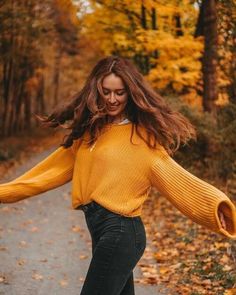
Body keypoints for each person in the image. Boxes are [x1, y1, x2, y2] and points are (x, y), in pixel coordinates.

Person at [0, 55, 235, 295]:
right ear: (96, 90)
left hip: (122, 232)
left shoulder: (143, 139)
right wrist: (4, 192)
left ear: (131, 93)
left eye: (120, 93)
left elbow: (179, 182)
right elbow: (46, 173)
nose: (112, 99)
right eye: (106, 91)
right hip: (101, 230)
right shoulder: (89, 133)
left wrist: (216, 208)